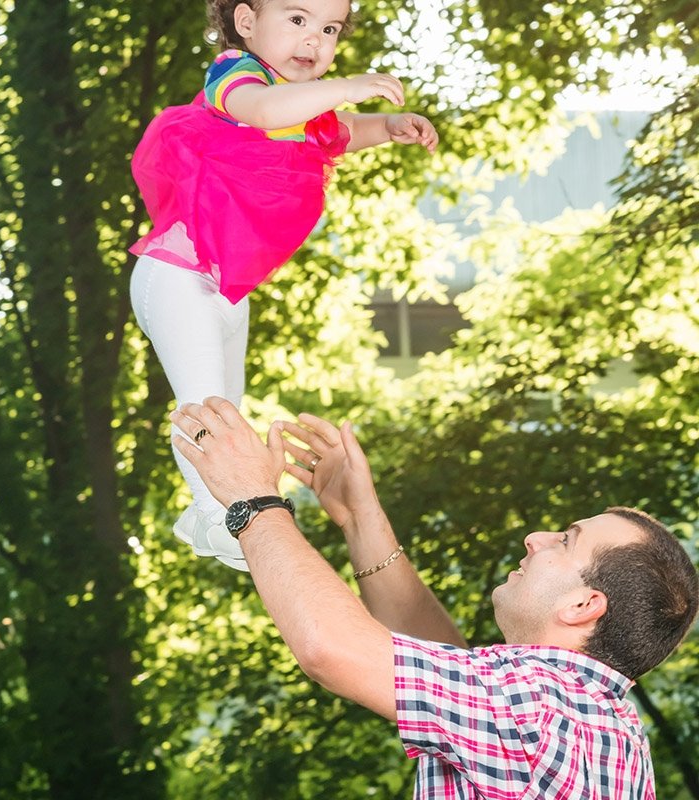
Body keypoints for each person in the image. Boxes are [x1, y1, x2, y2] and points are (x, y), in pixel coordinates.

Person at [170, 396, 699, 799]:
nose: (536, 539)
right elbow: (438, 662)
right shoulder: (588, 719)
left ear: (583, 606)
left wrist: (252, 498)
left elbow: (332, 648)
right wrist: (359, 517)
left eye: (565, 541)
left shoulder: (543, 714)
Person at [128, 0, 439, 571]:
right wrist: (346, 86)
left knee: (227, 404)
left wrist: (388, 128)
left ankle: (204, 514)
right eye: (296, 20)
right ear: (247, 24)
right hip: (176, 276)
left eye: (329, 29)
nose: (313, 40)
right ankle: (218, 512)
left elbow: (341, 133)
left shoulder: (311, 110)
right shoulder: (237, 77)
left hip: (224, 291)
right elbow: (269, 111)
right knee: (204, 405)